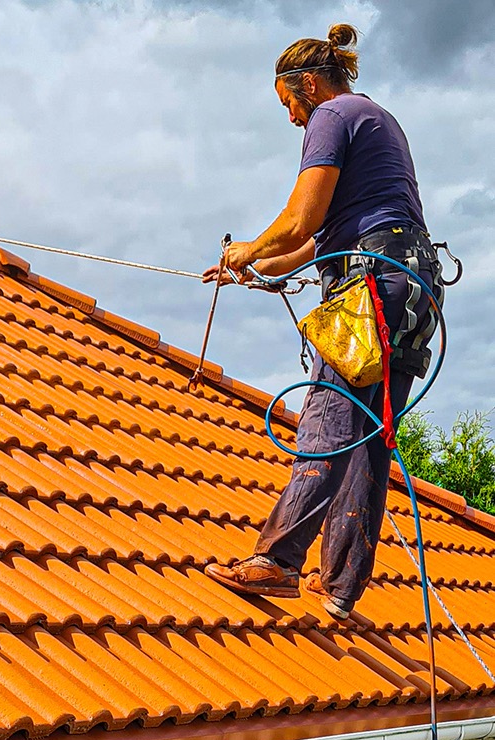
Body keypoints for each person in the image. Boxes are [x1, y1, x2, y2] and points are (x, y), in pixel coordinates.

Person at [201, 23, 444, 619]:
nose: (292, 119)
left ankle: (278, 561)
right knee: (370, 436)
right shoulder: (376, 118)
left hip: (372, 286)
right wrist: (259, 269)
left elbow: (301, 218)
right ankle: (340, 586)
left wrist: (247, 248)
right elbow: (319, 241)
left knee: (331, 417)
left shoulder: (331, 116)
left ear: (308, 84)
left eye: (289, 103)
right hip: (410, 285)